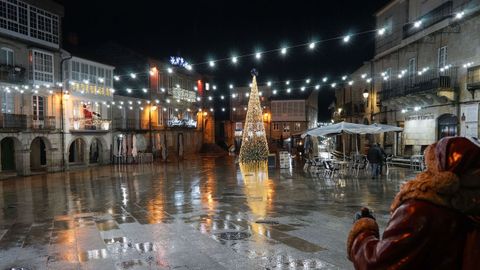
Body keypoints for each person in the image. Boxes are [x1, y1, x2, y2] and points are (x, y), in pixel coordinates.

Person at [347, 137, 480, 269]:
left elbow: (378, 263)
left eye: (430, 166)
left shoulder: (421, 210)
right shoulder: (472, 208)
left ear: (439, 169)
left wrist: (363, 230)